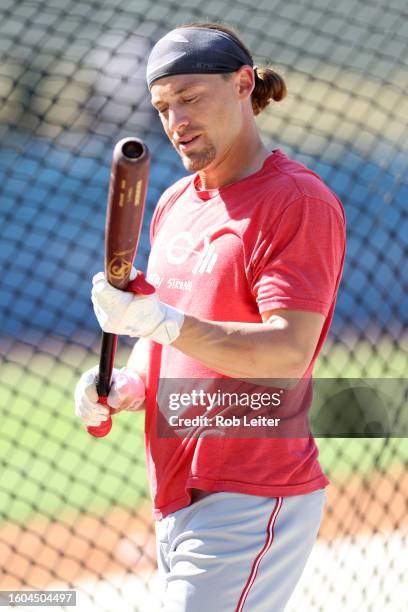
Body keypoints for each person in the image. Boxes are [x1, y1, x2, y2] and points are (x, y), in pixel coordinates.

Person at [75, 22, 345, 611]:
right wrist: (130, 383)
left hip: (250, 487)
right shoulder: (174, 201)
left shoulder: (296, 201)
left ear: (244, 84)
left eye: (191, 98)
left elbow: (286, 354)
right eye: (164, 106)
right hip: (175, 486)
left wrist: (163, 322)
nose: (176, 122)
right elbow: (169, 334)